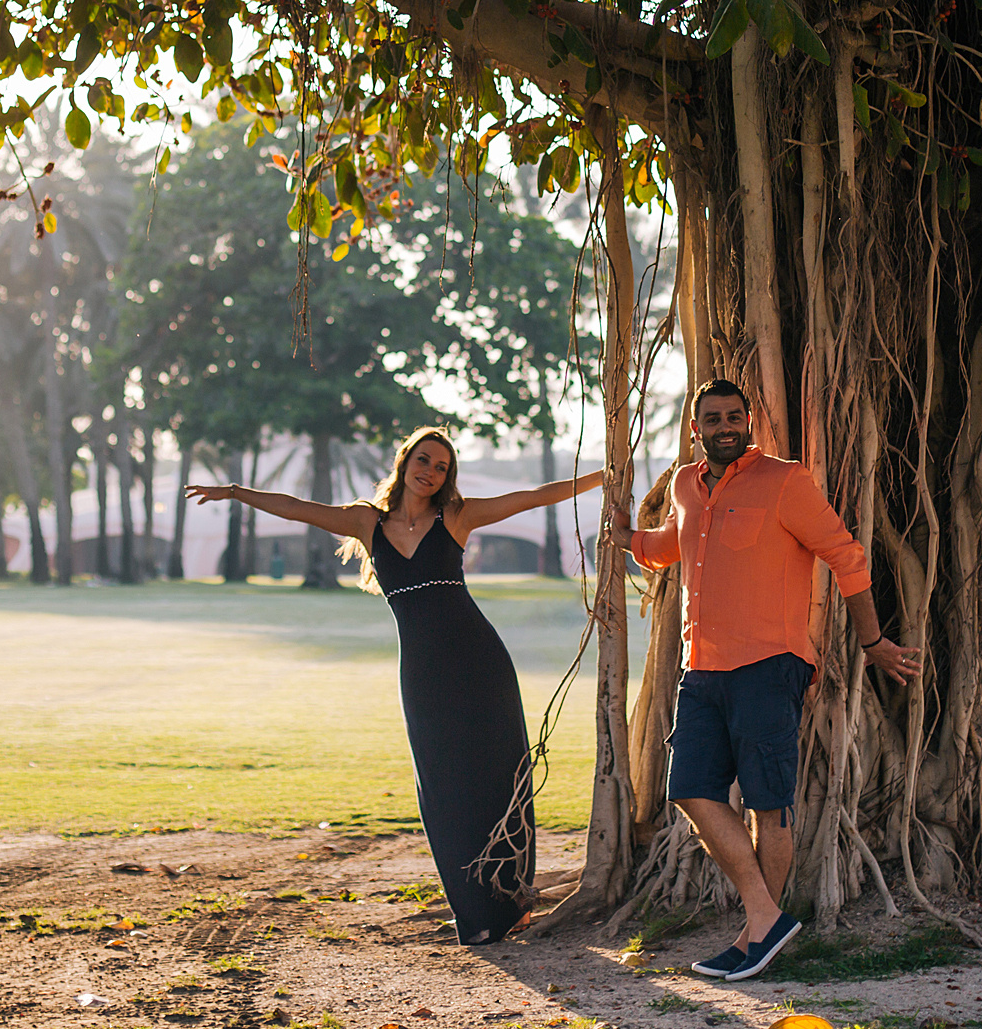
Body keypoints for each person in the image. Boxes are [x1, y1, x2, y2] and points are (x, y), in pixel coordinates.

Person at [188, 427, 602, 944]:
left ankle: (510, 898)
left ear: (448, 477)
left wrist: (603, 477)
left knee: (497, 772)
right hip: (423, 671)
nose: (430, 471)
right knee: (441, 785)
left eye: (442, 467)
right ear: (406, 461)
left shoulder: (457, 516)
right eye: (423, 460)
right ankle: (472, 910)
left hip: (480, 663)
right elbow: (295, 507)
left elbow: (533, 497)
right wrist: (233, 493)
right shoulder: (367, 521)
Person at [626, 379, 923, 982]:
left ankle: (757, 932)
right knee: (689, 788)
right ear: (696, 428)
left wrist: (873, 642)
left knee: (769, 804)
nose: (726, 426)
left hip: (769, 666)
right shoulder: (685, 485)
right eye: (713, 418)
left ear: (749, 421)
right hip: (700, 668)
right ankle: (766, 917)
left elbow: (846, 556)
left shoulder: (786, 482)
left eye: (735, 416)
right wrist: (623, 537)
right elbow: (667, 548)